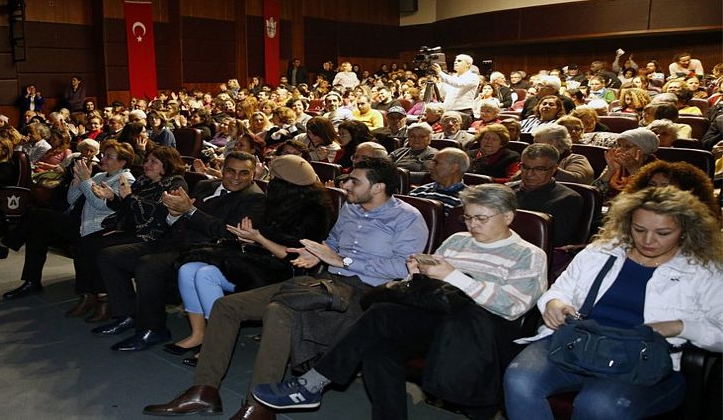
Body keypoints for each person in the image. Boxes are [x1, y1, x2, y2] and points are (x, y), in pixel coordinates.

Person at [141, 157, 428, 419]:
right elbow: (334, 242)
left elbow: (401, 268)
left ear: (378, 187)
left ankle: (260, 406)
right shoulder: (352, 209)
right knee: (227, 306)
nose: (346, 185)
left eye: (355, 181)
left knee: (279, 311)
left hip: (366, 293)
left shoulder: (407, 218)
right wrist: (316, 253)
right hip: (326, 282)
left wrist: (342, 259)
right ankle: (204, 391)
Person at [252, 184, 547, 419]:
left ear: (508, 216)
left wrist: (455, 276)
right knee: (380, 352)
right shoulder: (457, 240)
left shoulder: (528, 254)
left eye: (481, 218)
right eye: (468, 217)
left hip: (483, 329)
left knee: (382, 315)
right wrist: (415, 275)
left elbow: (512, 307)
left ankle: (312, 384)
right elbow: (435, 291)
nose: (472, 225)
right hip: (439, 319)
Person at [503, 186, 723, 420]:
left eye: (663, 233)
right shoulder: (601, 252)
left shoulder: (703, 271)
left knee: (599, 405)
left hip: (642, 359)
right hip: (579, 341)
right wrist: (555, 303)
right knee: (520, 380)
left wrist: (680, 327)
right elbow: (561, 289)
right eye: (639, 229)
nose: (648, 240)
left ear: (685, 231)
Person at [91, 151, 266, 350]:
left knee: (148, 265)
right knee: (110, 256)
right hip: (174, 241)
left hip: (207, 252)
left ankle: (153, 329)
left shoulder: (255, 199)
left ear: (253, 174)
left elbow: (228, 233)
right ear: (222, 170)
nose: (236, 177)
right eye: (231, 171)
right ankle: (127, 315)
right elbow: (180, 217)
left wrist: (189, 211)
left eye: (244, 173)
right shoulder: (204, 185)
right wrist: (174, 214)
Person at [167, 156, 333, 356]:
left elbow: (292, 256)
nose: (270, 182)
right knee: (188, 269)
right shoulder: (277, 203)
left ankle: (217, 342)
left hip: (283, 270)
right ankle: (198, 334)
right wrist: (250, 239)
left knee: (205, 274)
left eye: (274, 179)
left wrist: (258, 238)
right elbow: (261, 237)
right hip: (258, 256)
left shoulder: (314, 212)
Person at [0, 140, 136, 302]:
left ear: (122, 162)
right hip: (79, 222)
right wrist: (77, 182)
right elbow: (71, 200)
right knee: (37, 230)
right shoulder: (100, 175)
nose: (103, 159)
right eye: (104, 155)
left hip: (96, 229)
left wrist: (85, 180)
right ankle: (31, 281)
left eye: (109, 157)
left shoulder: (125, 180)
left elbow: (102, 206)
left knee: (38, 215)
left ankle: (4, 247)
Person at [77, 146, 187, 325]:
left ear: (167, 165)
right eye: (147, 160)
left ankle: (112, 305)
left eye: (154, 162)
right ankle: (91, 295)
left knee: (101, 249)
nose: (147, 165)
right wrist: (112, 197)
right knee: (86, 242)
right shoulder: (144, 180)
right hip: (134, 230)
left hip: (155, 236)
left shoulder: (175, 184)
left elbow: (156, 216)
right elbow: (127, 207)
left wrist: (128, 197)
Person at [508, 144, 584, 251]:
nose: (529, 174)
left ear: (553, 169)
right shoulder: (507, 191)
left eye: (539, 169)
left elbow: (554, 241)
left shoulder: (568, 199)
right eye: (525, 167)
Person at [624, 160, 719, 219]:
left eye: (665, 186)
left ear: (688, 192)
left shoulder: (697, 223)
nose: (656, 190)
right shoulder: (634, 213)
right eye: (652, 184)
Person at [593, 128, 660, 201]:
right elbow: (593, 196)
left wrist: (634, 171)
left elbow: (648, 199)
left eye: (627, 146)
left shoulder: (658, 169)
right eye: (618, 145)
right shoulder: (617, 165)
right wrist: (610, 171)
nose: (619, 150)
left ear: (643, 150)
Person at [409, 147, 469, 214]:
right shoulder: (418, 193)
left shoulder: (468, 201)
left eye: (436, 163)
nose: (430, 167)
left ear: (454, 168)